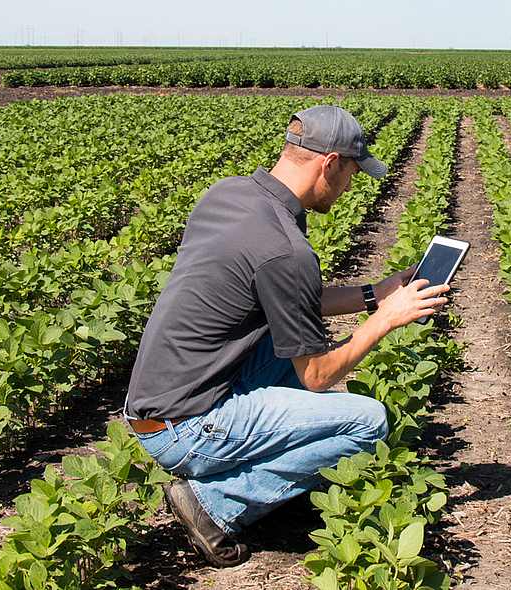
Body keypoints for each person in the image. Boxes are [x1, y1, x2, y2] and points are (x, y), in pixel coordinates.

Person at [123, 104, 450, 567]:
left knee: (285, 350)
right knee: (367, 422)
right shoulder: (285, 249)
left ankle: (266, 471)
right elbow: (317, 375)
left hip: (156, 399)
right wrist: (383, 321)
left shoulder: (233, 195)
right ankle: (216, 503)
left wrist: (376, 294)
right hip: (184, 427)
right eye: (352, 171)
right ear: (330, 162)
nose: (351, 185)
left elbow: (292, 297)